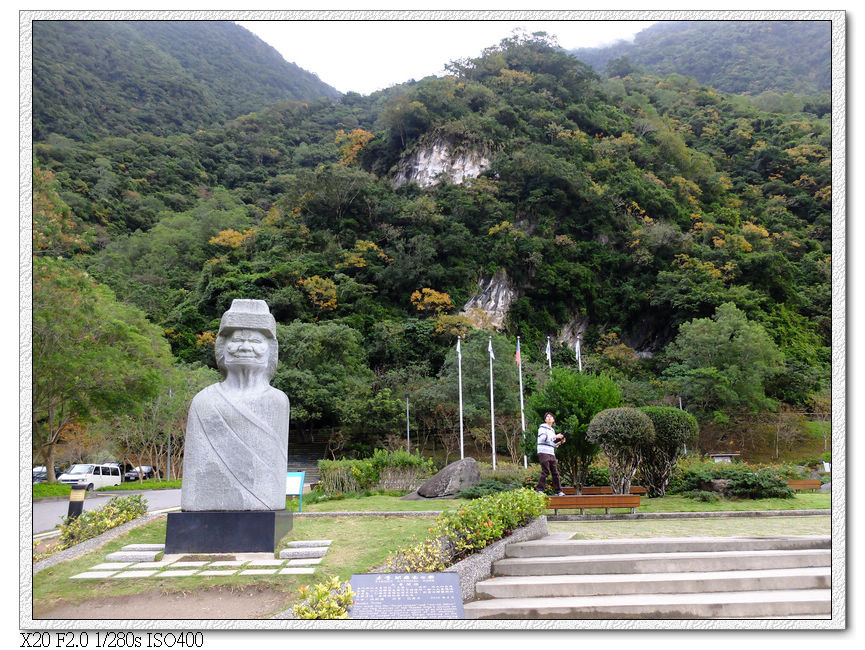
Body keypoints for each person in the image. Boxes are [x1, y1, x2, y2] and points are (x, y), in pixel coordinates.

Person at [181, 299, 290, 511]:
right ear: (222, 347)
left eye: (256, 341)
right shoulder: (204, 401)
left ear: (271, 350)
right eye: (237, 339)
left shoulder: (278, 401)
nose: (245, 347)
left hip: (265, 502)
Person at [536, 412, 565, 496]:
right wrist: (556, 437)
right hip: (543, 451)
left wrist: (560, 442)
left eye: (551, 417)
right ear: (545, 420)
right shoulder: (542, 427)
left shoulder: (552, 430)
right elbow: (543, 438)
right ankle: (539, 490)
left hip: (551, 452)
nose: (549, 418)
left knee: (555, 472)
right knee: (545, 471)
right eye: (547, 417)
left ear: (553, 420)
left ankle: (558, 491)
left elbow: (552, 444)